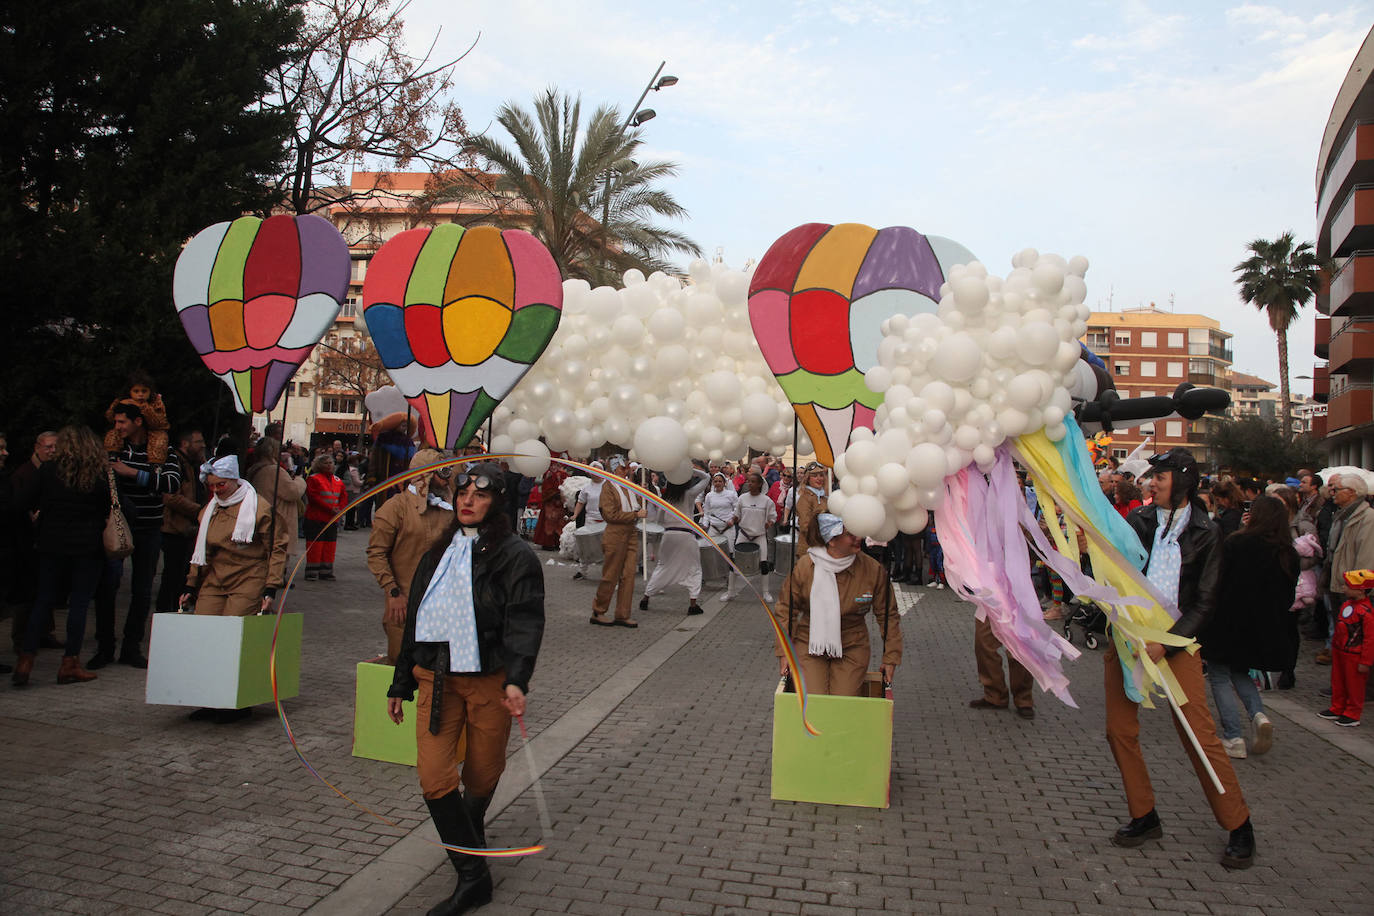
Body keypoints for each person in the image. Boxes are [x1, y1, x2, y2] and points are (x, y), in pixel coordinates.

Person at [386, 463, 544, 916]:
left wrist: (517, 678)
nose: (467, 501)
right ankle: (474, 877)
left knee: (481, 775)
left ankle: (466, 836)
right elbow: (416, 619)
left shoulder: (516, 556)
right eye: (462, 494)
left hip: (489, 682)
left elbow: (525, 622)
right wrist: (400, 681)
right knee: (434, 777)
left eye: (480, 495)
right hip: (436, 678)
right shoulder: (439, 553)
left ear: (498, 502)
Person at [1110, 448, 1254, 869]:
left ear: (1184, 481)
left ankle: (1238, 824)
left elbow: (1205, 601)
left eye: (1161, 476)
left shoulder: (1207, 532)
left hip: (1176, 642)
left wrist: (1168, 643)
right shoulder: (1138, 521)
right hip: (1129, 640)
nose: (1151, 482)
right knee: (1119, 729)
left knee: (1199, 733)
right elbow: (1116, 567)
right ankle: (1144, 815)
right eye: (1152, 476)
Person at [11, 427, 112, 686]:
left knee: (43, 601)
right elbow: (106, 509)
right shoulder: (98, 475)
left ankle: (25, 660)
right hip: (87, 547)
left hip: (51, 544)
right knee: (78, 605)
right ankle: (70, 663)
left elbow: (22, 502)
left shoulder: (48, 471)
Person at [1200, 495, 1298, 759]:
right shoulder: (1288, 552)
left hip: (1228, 619)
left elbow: (1218, 580)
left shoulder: (1238, 543)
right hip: (1261, 625)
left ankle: (1233, 736)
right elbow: (1288, 596)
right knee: (1240, 672)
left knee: (1220, 675)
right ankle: (1257, 714)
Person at [91, 401, 183, 669]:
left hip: (149, 526)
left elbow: (171, 483)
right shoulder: (111, 449)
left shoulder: (163, 450)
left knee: (142, 591)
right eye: (116, 422)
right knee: (107, 586)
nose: (117, 427)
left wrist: (131, 473)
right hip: (116, 526)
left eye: (122, 422)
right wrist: (143, 478)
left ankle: (132, 647)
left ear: (138, 422)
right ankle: (105, 646)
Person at [772, 513, 902, 696]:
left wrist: (891, 657)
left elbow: (888, 615)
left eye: (859, 532)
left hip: (853, 644)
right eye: (850, 534)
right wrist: (783, 651)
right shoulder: (805, 567)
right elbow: (786, 609)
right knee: (814, 700)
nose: (858, 538)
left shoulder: (873, 570)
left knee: (843, 702)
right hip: (809, 644)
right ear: (831, 540)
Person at [367, 449, 454, 664]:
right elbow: (377, 553)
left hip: (441, 605)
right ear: (424, 474)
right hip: (404, 605)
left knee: (436, 671)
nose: (447, 478)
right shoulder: (395, 508)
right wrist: (393, 592)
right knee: (402, 665)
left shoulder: (449, 509)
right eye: (441, 472)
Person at [7, 430, 58, 654]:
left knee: (45, 586)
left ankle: (44, 633)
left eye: (56, 447)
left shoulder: (51, 471)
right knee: (27, 591)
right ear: (37, 447)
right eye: (48, 447)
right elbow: (17, 505)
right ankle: (21, 638)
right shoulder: (24, 473)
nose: (52, 451)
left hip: (45, 538)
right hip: (26, 540)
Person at [639, 468, 711, 615]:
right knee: (694, 568)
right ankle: (693, 604)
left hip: (669, 535)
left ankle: (646, 598)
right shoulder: (689, 495)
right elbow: (706, 478)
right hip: (685, 536)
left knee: (662, 566)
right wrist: (690, 470)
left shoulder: (666, 499)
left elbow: (659, 520)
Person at [1320, 474, 1374, 665]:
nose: (1332, 493)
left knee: (1356, 640)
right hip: (1339, 585)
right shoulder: (1341, 515)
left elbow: (1366, 557)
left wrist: (1357, 590)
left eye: (1338, 489)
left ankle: (1361, 688)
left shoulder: (1367, 518)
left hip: (1353, 590)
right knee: (1342, 637)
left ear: (1351, 493)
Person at [156, 429, 206, 616]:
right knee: (172, 574)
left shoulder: (193, 463)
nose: (202, 445)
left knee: (181, 573)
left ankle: (175, 607)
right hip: (174, 526)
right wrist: (198, 510)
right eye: (198, 441)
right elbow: (170, 497)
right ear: (185, 443)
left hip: (188, 527)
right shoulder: (176, 462)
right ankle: (166, 610)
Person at [591, 456, 645, 628]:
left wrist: (641, 496)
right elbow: (610, 515)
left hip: (631, 533)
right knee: (611, 575)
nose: (626, 470)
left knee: (628, 575)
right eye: (622, 468)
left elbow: (636, 507)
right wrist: (635, 515)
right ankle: (598, 611)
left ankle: (623, 613)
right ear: (615, 469)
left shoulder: (629, 486)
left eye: (626, 468)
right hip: (615, 534)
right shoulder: (608, 487)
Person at [246, 438, 306, 591]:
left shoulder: (255, 469)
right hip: (278, 517)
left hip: (263, 513)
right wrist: (300, 481)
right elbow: (292, 492)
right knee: (276, 555)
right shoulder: (273, 471)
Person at [1320, 569, 1374, 726]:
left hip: (1355, 654)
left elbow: (1370, 639)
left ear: (1361, 590)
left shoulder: (1366, 613)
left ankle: (1352, 713)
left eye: (1348, 586)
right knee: (1338, 681)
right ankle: (1337, 707)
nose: (1344, 588)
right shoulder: (1346, 605)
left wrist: (1365, 661)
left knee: (1354, 686)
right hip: (1340, 651)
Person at [969, 616, 1035, 719]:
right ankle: (994, 695)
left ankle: (1023, 699)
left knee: (1019, 649)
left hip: (1019, 604)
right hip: (990, 601)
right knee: (983, 642)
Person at [725, 470, 775, 602]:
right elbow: (737, 515)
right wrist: (732, 521)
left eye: (753, 482)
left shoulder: (767, 501)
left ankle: (766, 593)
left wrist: (768, 524)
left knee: (764, 563)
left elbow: (772, 517)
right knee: (734, 562)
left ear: (759, 484)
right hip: (743, 534)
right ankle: (730, 592)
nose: (750, 484)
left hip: (759, 536)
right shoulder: (742, 498)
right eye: (749, 481)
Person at [304, 453, 347, 581]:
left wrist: (340, 508)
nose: (329, 465)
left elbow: (343, 496)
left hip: (332, 518)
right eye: (325, 463)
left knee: (330, 545)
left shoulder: (337, 480)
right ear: (319, 465)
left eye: (330, 463)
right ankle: (312, 571)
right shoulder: (313, 479)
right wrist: (332, 509)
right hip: (316, 517)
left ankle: (326, 571)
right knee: (315, 545)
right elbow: (313, 498)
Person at [571, 460, 605, 580]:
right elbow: (580, 502)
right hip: (590, 520)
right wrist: (575, 515)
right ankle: (582, 570)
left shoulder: (608, 485)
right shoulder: (586, 488)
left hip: (606, 521)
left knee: (606, 548)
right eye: (593, 471)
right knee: (586, 547)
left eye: (598, 471)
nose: (595, 473)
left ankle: (607, 572)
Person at [530, 462, 568, 551]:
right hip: (550, 504)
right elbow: (545, 489)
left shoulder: (563, 475)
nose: (554, 467)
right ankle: (548, 543)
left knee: (559, 524)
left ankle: (557, 542)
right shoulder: (548, 475)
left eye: (557, 465)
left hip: (559, 504)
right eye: (553, 465)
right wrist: (554, 494)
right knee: (549, 524)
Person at [793, 463, 829, 553]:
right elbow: (805, 526)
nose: (819, 478)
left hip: (823, 547)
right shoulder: (805, 499)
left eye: (821, 475)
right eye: (815, 476)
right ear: (808, 478)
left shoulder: (824, 497)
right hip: (809, 548)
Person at [697, 472, 738, 539]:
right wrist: (705, 524)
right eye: (715, 481)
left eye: (720, 481)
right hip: (713, 529)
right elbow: (707, 512)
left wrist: (732, 520)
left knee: (729, 549)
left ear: (724, 483)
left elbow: (737, 509)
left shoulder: (731, 494)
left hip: (728, 529)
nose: (718, 483)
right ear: (713, 483)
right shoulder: (709, 496)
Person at [341, 454, 364, 530]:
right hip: (353, 490)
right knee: (352, 508)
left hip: (349, 489)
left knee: (350, 508)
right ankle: (349, 524)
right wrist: (363, 481)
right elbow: (356, 482)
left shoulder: (349, 469)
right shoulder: (354, 470)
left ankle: (349, 523)